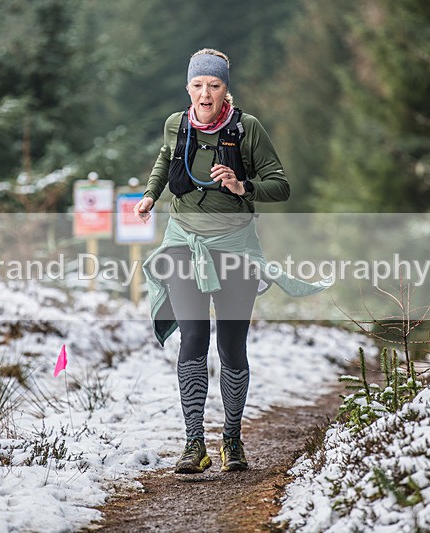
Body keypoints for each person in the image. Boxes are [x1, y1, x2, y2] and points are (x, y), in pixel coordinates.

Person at [134, 48, 315, 474]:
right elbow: (165, 159)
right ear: (188, 87)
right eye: (198, 85)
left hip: (235, 247)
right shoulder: (176, 126)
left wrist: (241, 185)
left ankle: (232, 441)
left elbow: (282, 186)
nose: (205, 93)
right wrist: (149, 195)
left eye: (213, 85)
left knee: (231, 345)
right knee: (193, 338)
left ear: (225, 89)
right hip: (184, 244)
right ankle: (193, 443)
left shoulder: (247, 129)